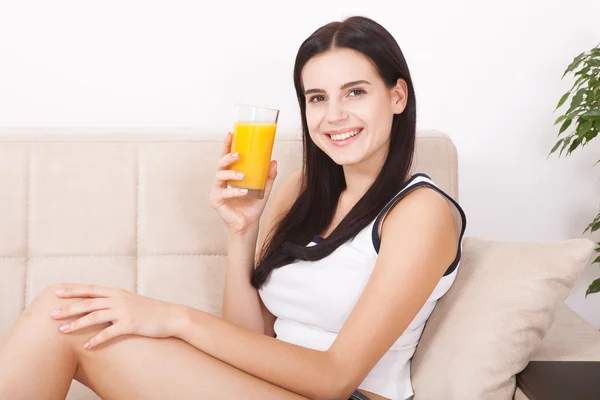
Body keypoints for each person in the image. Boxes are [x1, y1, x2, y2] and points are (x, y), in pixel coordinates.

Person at [0, 16, 466, 400]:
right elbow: (252, 339)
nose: (334, 115)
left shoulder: (419, 212)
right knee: (60, 315)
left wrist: (177, 318)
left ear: (397, 96)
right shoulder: (304, 188)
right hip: (271, 388)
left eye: (355, 92)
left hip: (350, 395)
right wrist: (242, 230)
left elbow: (335, 377)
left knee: (60, 319)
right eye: (317, 98)